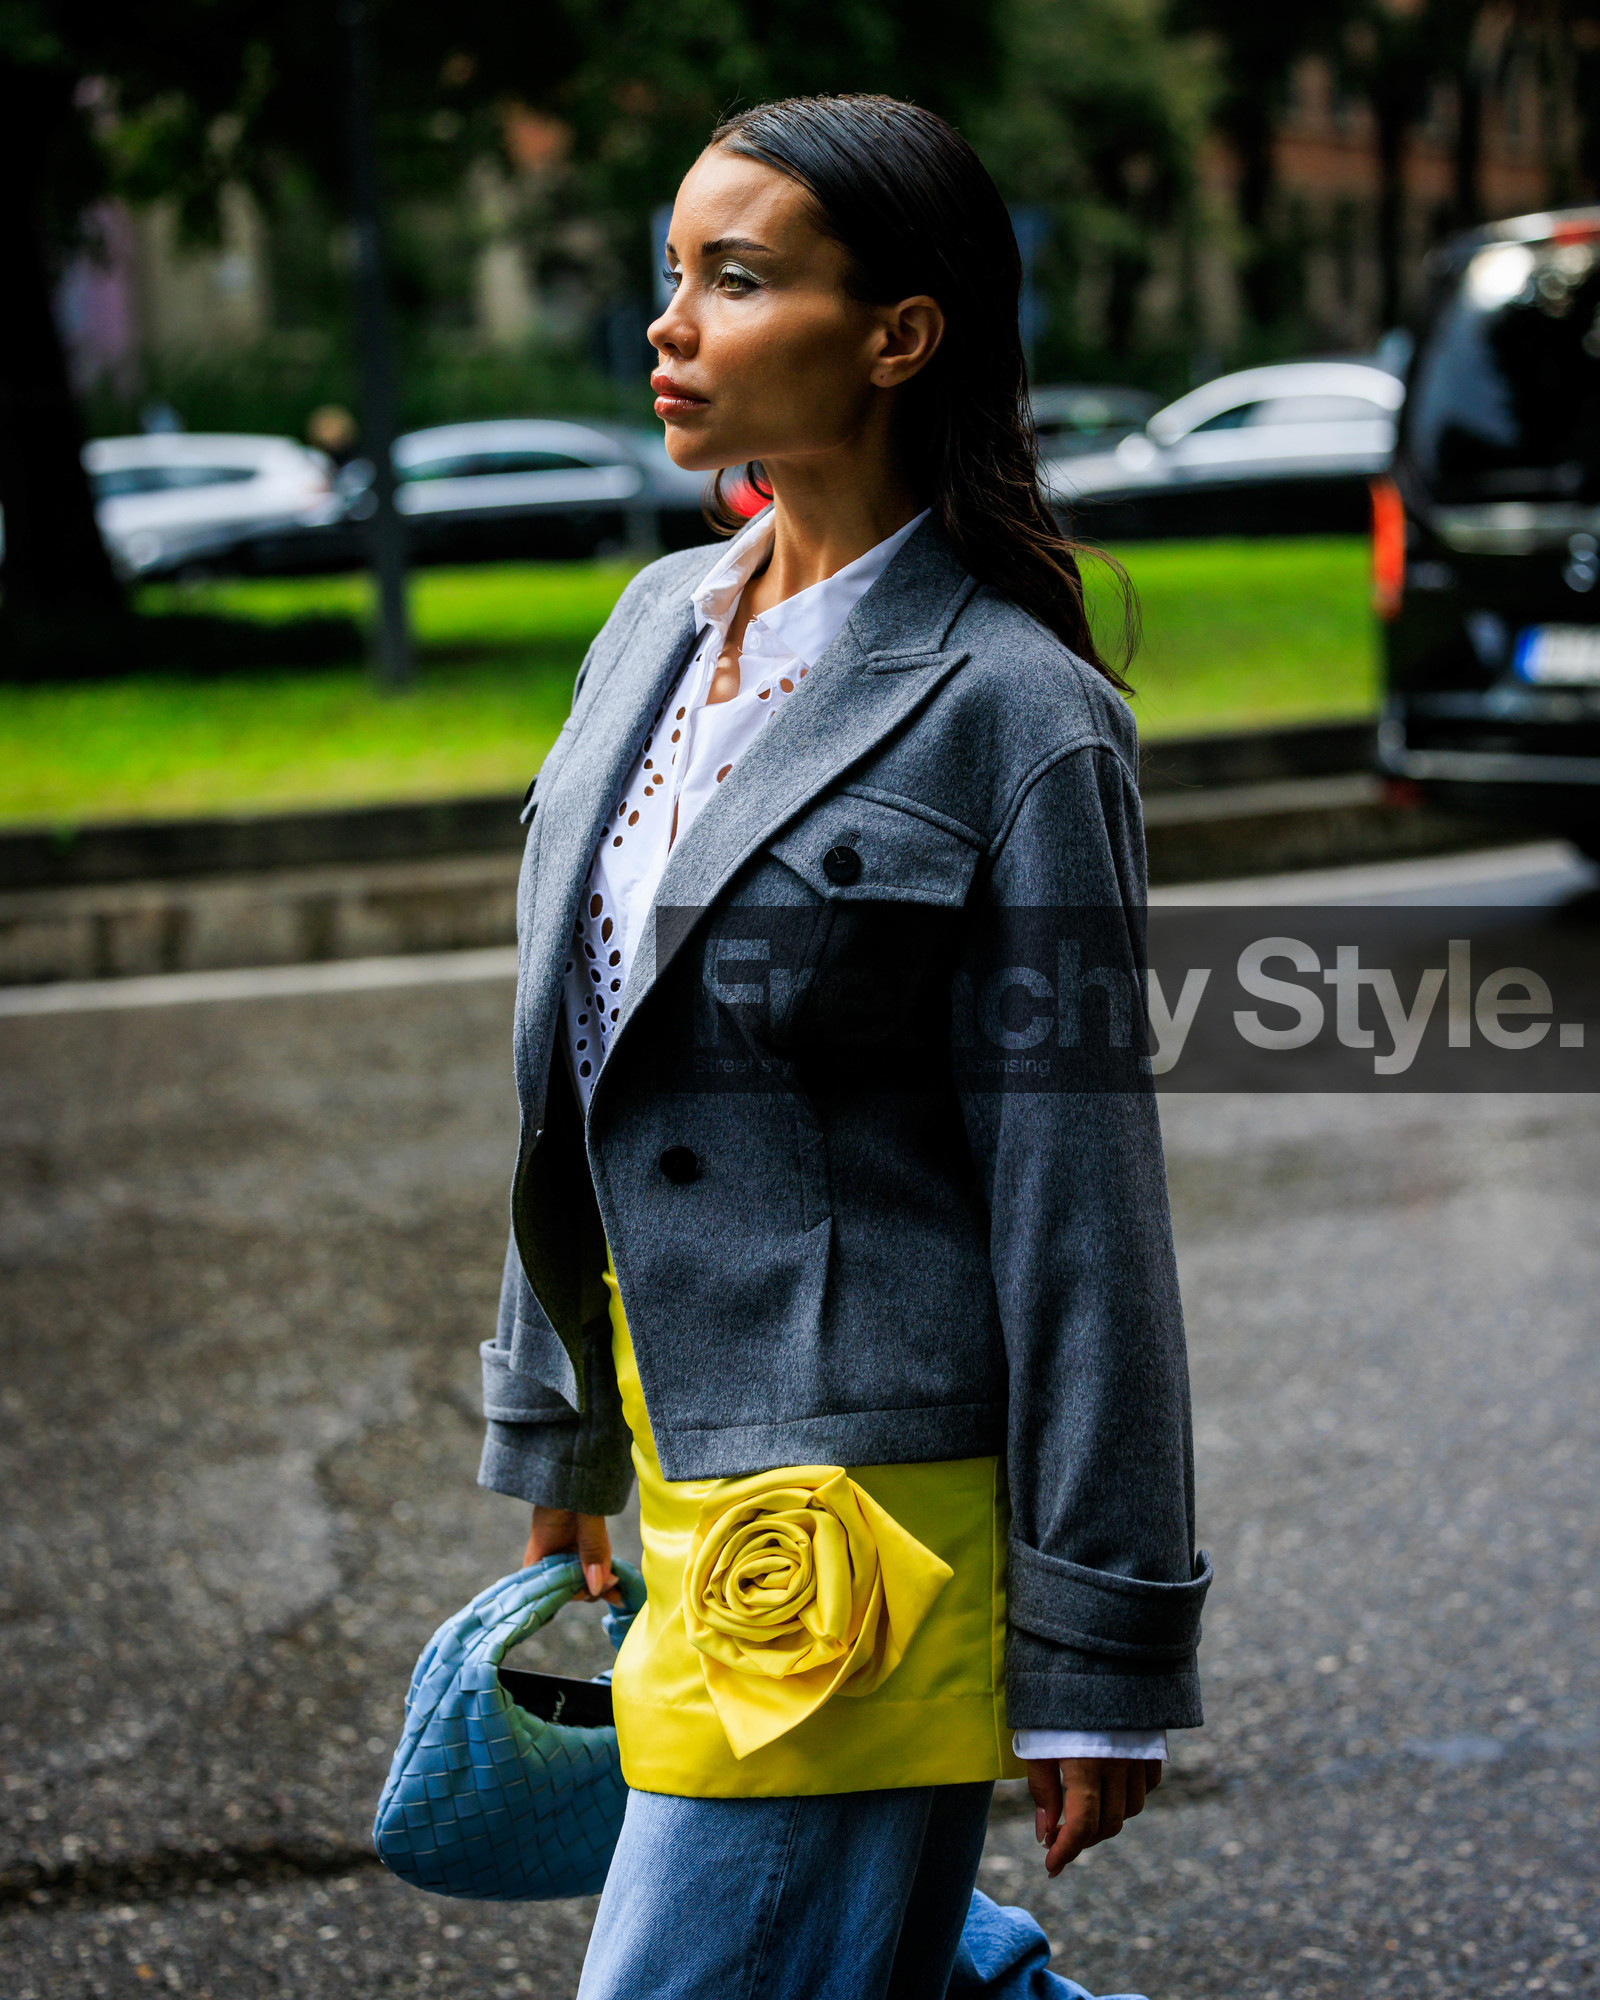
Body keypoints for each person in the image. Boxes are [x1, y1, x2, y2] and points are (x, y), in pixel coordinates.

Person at [477, 93, 1210, 2000]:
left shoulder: (1017, 716)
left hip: (872, 1549)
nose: (672, 325)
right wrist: (558, 1416)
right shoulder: (650, 628)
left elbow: (1085, 1212)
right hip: (686, 1475)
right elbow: (578, 1054)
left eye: (736, 279)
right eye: (673, 276)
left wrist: (1098, 1647)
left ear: (898, 335)